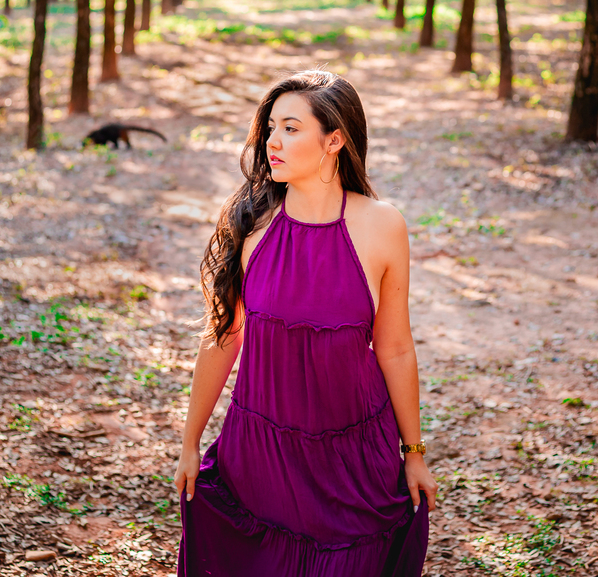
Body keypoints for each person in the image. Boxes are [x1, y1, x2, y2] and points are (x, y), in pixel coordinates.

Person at [173, 69, 436, 576]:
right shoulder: (252, 225)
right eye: (271, 127)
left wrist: (414, 452)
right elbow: (223, 337)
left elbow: (396, 347)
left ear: (334, 139)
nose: (272, 141)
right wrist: (190, 444)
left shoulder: (383, 225)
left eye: (291, 128)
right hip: (261, 458)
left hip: (354, 461)